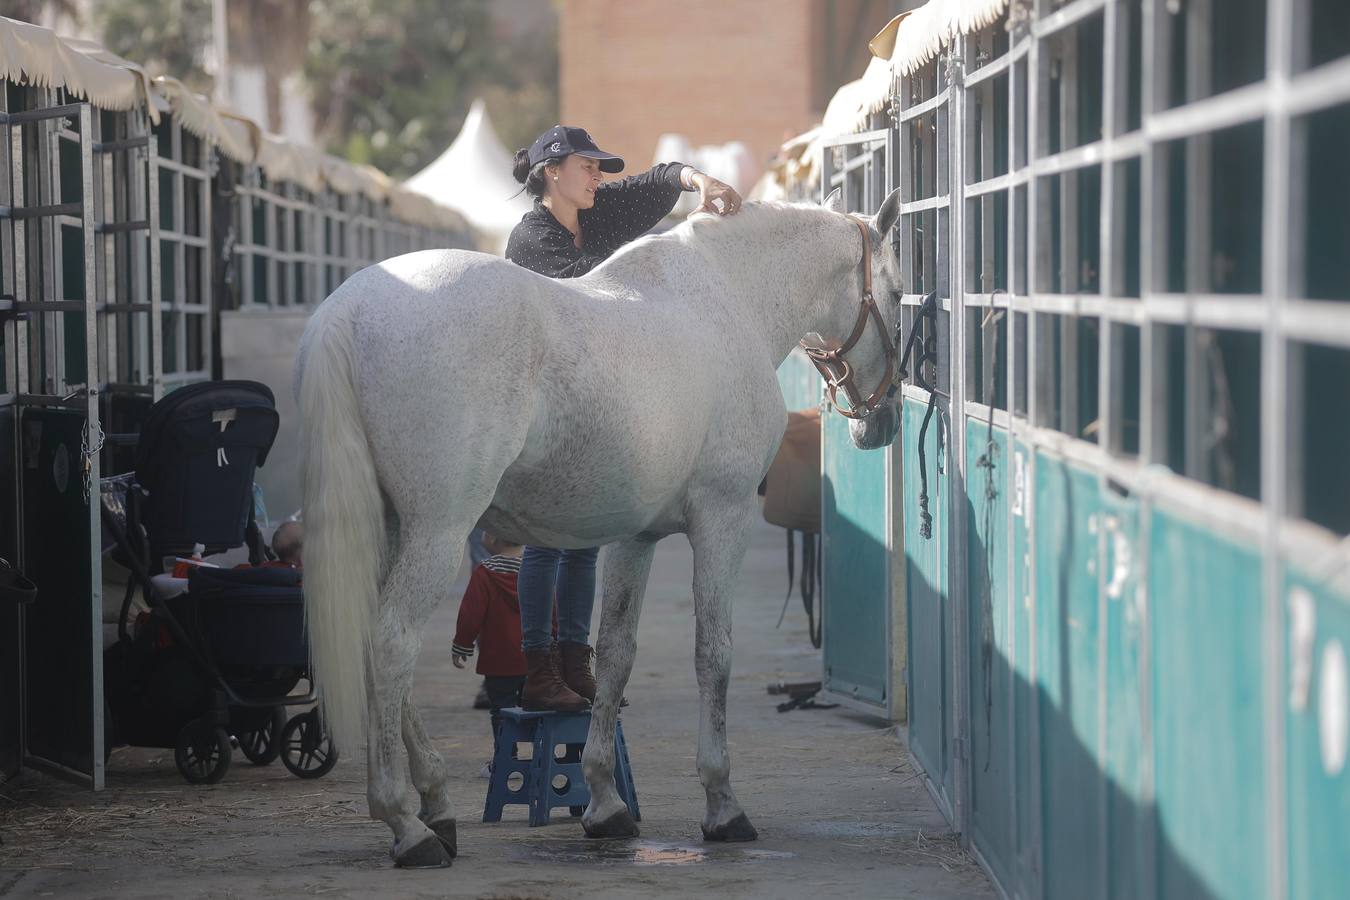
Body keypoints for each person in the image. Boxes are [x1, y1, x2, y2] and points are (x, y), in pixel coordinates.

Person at [504, 124, 743, 711]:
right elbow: (582, 309)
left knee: (587, 540)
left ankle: (573, 660)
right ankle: (538, 666)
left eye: (599, 169)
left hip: (600, 403)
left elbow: (657, 180)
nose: (598, 177)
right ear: (552, 173)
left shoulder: (600, 210)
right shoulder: (530, 238)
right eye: (588, 167)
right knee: (544, 542)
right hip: (549, 408)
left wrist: (698, 181)